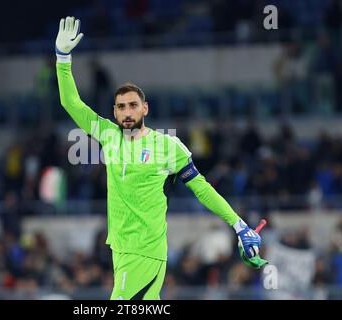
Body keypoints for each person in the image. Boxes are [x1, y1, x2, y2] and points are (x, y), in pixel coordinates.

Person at [55, 16, 263, 300]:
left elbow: (201, 188)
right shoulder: (106, 134)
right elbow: (70, 102)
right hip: (121, 249)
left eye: (133, 106)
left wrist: (238, 224)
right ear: (114, 113)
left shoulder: (167, 146)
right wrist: (62, 57)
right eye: (121, 107)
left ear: (145, 109)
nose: (127, 112)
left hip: (145, 252)